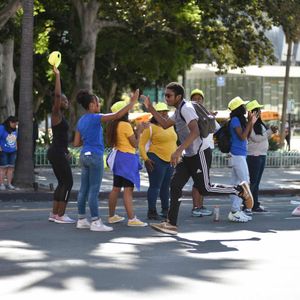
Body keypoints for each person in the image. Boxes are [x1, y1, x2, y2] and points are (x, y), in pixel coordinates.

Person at [142, 82, 254, 235]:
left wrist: (177, 151)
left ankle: (239, 189)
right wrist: (150, 108)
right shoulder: (179, 110)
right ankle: (171, 223)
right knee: (175, 186)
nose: (166, 98)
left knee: (204, 188)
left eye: (169, 95)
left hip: (199, 152)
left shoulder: (186, 108)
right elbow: (165, 124)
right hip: (188, 155)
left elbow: (195, 132)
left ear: (178, 96)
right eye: (165, 95)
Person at [73, 90, 139, 232]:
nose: (99, 105)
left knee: (83, 189)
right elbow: (116, 115)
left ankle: (81, 219)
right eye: (97, 102)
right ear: (91, 105)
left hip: (84, 155)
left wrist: (88, 139)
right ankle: (96, 221)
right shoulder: (96, 117)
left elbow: (76, 143)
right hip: (95, 156)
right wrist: (132, 103)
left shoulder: (81, 120)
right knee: (93, 190)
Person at [106, 100, 148, 227]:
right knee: (128, 190)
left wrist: (136, 129)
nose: (129, 111)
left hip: (118, 157)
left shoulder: (113, 125)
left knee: (116, 188)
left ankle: (111, 216)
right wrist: (139, 131)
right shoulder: (125, 125)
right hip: (127, 159)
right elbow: (134, 144)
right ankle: (132, 219)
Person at [139, 102, 177, 220]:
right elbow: (141, 144)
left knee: (166, 187)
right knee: (155, 186)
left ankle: (166, 210)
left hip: (169, 160)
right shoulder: (150, 127)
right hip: (155, 159)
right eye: (161, 112)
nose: (164, 114)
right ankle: (152, 211)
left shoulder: (170, 125)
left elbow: (174, 142)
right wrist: (146, 159)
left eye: (166, 111)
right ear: (155, 114)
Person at [47, 67, 75, 224]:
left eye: (66, 100)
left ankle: (54, 214)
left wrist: (66, 150)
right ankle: (61, 215)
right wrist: (57, 75)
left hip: (57, 151)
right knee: (68, 182)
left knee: (62, 182)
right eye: (64, 100)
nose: (66, 102)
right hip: (56, 152)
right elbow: (57, 94)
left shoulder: (60, 116)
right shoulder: (56, 112)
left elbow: (61, 138)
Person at [189, 89, 220, 217]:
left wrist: (210, 118)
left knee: (204, 180)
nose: (197, 100)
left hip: (207, 150)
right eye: (194, 98)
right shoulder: (190, 114)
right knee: (198, 180)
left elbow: (216, 129)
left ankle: (200, 205)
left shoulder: (206, 113)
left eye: (199, 98)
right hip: (197, 150)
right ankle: (196, 207)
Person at [228, 96, 257, 222]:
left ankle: (235, 211)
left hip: (239, 154)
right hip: (237, 155)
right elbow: (242, 137)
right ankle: (235, 210)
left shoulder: (239, 120)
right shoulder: (235, 120)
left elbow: (247, 136)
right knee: (245, 182)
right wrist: (250, 122)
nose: (246, 108)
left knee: (237, 184)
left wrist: (251, 122)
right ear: (239, 108)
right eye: (243, 106)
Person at [246, 100, 277, 212]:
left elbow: (261, 137)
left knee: (256, 182)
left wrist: (270, 132)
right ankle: (247, 205)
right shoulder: (251, 123)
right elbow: (256, 138)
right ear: (253, 112)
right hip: (254, 156)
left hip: (261, 155)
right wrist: (269, 132)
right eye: (258, 110)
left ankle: (255, 205)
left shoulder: (259, 124)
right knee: (253, 182)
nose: (260, 111)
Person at [0, 116, 18, 190]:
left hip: (13, 151)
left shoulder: (14, 129)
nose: (15, 125)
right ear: (10, 122)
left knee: (11, 168)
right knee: (3, 168)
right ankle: (1, 184)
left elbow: (16, 138)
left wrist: (16, 147)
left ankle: (9, 184)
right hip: (4, 151)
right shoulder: (2, 128)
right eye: (14, 123)